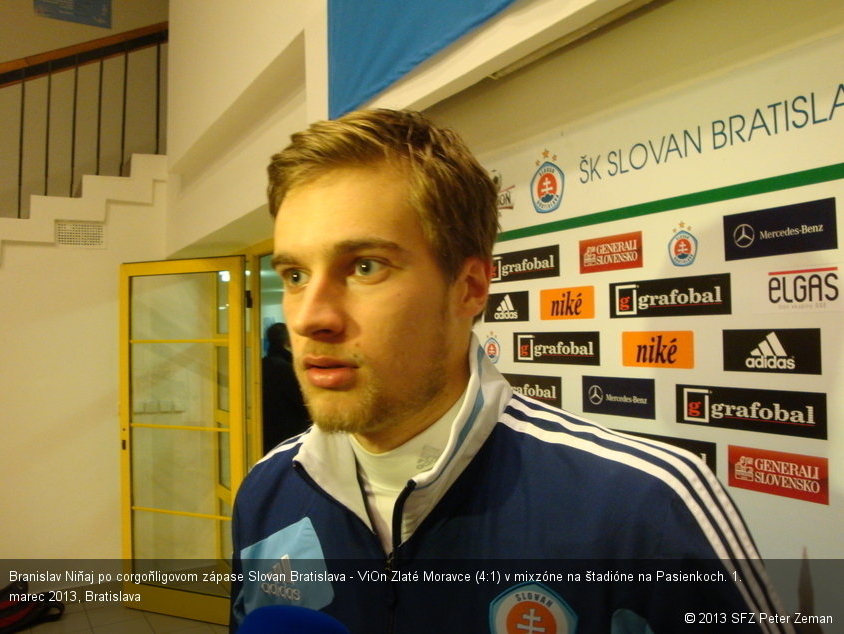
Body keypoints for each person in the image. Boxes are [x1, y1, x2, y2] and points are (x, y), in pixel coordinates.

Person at [230, 109, 791, 633]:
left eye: (365, 266)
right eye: (296, 274)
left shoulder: (644, 508)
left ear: (469, 288)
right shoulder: (266, 491)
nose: (310, 317)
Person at [261, 322, 311, 453]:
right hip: (290, 437)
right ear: (289, 342)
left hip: (264, 433)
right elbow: (304, 403)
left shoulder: (261, 364)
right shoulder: (288, 368)